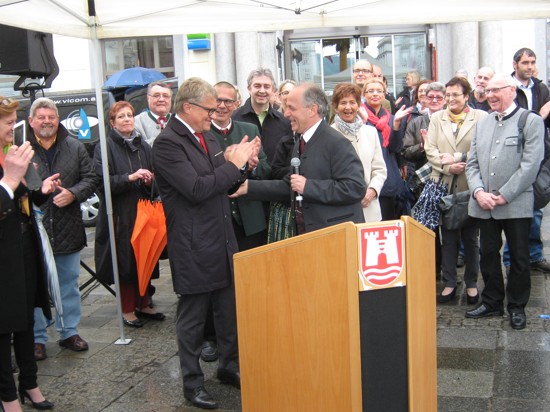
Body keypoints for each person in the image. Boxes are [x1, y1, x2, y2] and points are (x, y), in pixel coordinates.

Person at [152, 77, 259, 409]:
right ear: (188, 107)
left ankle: (229, 366)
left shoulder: (205, 133)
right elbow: (197, 188)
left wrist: (241, 164)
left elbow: (217, 177)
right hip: (194, 244)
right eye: (209, 109)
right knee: (193, 318)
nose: (213, 115)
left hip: (222, 238)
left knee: (228, 312)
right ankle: (192, 382)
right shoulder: (168, 143)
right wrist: (232, 164)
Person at [465, 73, 545, 330]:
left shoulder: (529, 120)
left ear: (511, 90)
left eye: (495, 90)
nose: (490, 96)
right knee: (487, 254)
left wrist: (504, 195)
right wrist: (478, 192)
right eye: (487, 91)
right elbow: (472, 162)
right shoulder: (483, 122)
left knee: (519, 258)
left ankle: (517, 306)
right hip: (484, 203)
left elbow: (531, 165)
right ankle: (492, 301)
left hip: (516, 203)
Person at [234, 82, 367, 234]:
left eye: (291, 108)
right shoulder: (301, 141)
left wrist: (308, 187)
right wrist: (248, 187)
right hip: (309, 235)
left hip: (336, 236)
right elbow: (290, 185)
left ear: (312, 110)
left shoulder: (336, 143)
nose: (286, 114)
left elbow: (355, 187)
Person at [202, 81, 271, 362]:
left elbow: (266, 168)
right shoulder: (202, 134)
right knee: (214, 280)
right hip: (217, 218)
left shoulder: (249, 130)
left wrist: (253, 165)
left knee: (248, 279)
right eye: (217, 100)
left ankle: (248, 332)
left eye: (228, 101)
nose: (221, 106)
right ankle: (211, 338)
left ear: (236, 103)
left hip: (248, 218)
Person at [28, 97, 97, 361]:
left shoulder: (74, 146)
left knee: (68, 283)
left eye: (51, 117)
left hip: (68, 226)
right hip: (36, 228)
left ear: (58, 120)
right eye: (41, 117)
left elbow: (91, 178)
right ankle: (37, 338)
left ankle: (69, 331)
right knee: (36, 287)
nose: (47, 121)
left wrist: (73, 193)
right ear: (32, 120)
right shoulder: (22, 149)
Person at [0, 97, 58, 412]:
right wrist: (9, 180)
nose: (15, 126)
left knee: (25, 316)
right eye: (8, 122)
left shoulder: (9, 152)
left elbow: (21, 197)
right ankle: (9, 397)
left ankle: (30, 384)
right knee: (4, 324)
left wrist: (39, 188)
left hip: (22, 244)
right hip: (3, 255)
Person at [93, 101, 165, 328]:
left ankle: (144, 303)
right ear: (112, 123)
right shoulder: (104, 147)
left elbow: (155, 174)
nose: (127, 119)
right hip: (121, 214)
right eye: (121, 116)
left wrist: (149, 179)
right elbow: (101, 182)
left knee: (145, 257)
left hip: (144, 210)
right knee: (126, 261)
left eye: (130, 115)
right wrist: (130, 177)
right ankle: (127, 308)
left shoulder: (143, 145)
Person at [424, 77, 487, 304]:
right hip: (443, 183)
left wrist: (461, 159)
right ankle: (449, 282)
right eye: (447, 95)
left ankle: (471, 283)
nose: (450, 99)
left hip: (470, 185)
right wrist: (447, 165)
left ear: (466, 96)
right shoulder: (436, 118)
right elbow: (429, 148)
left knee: (471, 238)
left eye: (455, 95)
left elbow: (484, 148)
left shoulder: (480, 117)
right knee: (447, 236)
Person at [502, 47, 550, 275]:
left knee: (536, 205)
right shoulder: (507, 88)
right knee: (513, 206)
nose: (530, 66)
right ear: (515, 64)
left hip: (537, 151)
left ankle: (534, 255)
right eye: (525, 63)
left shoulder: (540, 88)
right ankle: (511, 257)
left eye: (533, 62)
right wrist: (538, 117)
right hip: (513, 150)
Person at [330, 83, 387, 222]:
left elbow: (380, 169)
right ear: (336, 107)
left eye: (352, 102)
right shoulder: (328, 134)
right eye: (343, 103)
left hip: (370, 210)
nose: (348, 107)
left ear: (358, 105)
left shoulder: (370, 132)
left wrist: (372, 190)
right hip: (341, 212)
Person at [359, 78, 412, 220]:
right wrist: (363, 123)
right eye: (370, 91)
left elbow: (395, 148)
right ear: (364, 94)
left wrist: (396, 125)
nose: (375, 94)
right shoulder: (358, 117)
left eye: (379, 91)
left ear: (384, 94)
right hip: (368, 178)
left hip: (389, 178)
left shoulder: (392, 118)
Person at [232, 68, 292, 163]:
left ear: (273, 90)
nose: (262, 91)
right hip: (245, 177)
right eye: (257, 86)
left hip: (277, 177)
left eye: (267, 86)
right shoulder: (234, 119)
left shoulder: (285, 123)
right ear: (249, 88)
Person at [134, 81, 173, 147]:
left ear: (170, 99)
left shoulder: (179, 120)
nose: (161, 99)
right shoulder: (136, 122)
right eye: (156, 95)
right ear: (148, 98)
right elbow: (137, 148)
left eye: (165, 96)